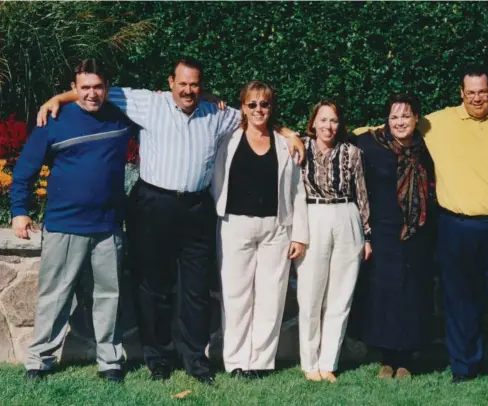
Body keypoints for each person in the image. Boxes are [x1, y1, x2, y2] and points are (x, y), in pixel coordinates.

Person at [36, 58, 305, 384]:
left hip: (196, 208)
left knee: (195, 290)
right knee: (153, 287)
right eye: (183, 83)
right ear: (170, 83)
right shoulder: (149, 103)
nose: (188, 90)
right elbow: (96, 91)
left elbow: (254, 116)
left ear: (201, 86)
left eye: (194, 84)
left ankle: (196, 361)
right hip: (153, 204)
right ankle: (159, 359)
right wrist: (58, 99)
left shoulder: (216, 113)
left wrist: (289, 133)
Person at [356, 68, 488, 384]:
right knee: (460, 301)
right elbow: (393, 126)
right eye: (470, 92)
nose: (476, 98)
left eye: (482, 92)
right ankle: (464, 369)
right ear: (461, 93)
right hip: (457, 226)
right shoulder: (439, 122)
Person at [11, 59, 136, 383]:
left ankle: (109, 360)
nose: (92, 94)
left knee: (109, 296)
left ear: (107, 87)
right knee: (55, 296)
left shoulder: (121, 116)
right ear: (73, 88)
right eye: (85, 88)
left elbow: (171, 101)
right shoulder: (53, 120)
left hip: (108, 228)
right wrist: (19, 211)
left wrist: (206, 97)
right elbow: (24, 171)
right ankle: (39, 360)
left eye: (98, 87)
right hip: (65, 225)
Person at [212, 80, 308, 379]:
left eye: (264, 104)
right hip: (235, 225)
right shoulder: (227, 140)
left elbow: (297, 191)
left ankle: (260, 362)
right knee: (235, 295)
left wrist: (299, 234)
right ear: (243, 106)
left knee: (271, 297)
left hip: (275, 228)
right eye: (252, 104)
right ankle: (236, 362)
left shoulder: (284, 144)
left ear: (271, 107)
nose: (258, 110)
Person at [351, 94, 435, 379]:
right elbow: (336, 137)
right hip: (383, 232)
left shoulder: (427, 148)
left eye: (406, 116)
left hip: (417, 232)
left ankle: (406, 360)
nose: (400, 122)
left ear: (416, 119)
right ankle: (386, 357)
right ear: (386, 121)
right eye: (394, 116)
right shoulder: (371, 144)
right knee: (384, 295)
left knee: (412, 294)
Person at [294, 101, 371, 382]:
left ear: (341, 125)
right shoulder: (299, 147)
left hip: (346, 216)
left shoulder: (352, 153)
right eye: (323, 120)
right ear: (313, 122)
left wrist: (367, 234)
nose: (328, 126)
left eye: (334, 121)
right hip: (312, 216)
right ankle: (309, 362)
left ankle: (329, 362)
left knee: (340, 296)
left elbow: (362, 194)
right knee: (311, 295)